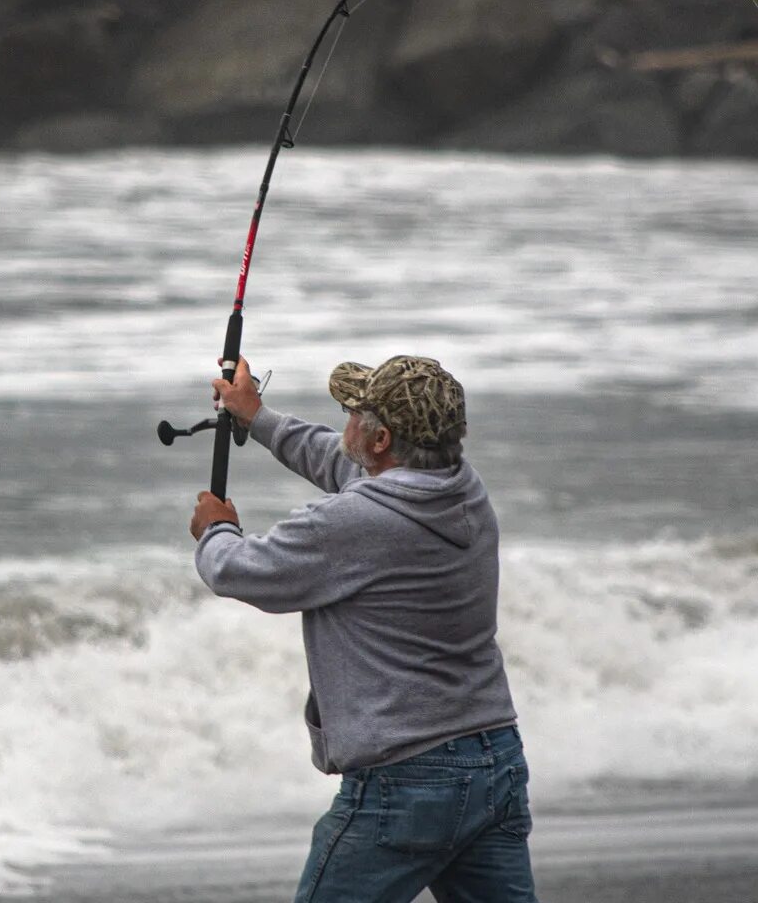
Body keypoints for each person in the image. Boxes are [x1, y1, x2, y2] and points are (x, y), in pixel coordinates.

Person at [188, 354, 536, 903]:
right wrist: (256, 416)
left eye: (353, 412)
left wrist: (216, 530)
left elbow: (238, 571)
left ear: (381, 440)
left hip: (407, 780)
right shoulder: (463, 491)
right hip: (494, 762)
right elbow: (340, 460)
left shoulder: (354, 524)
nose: (344, 421)